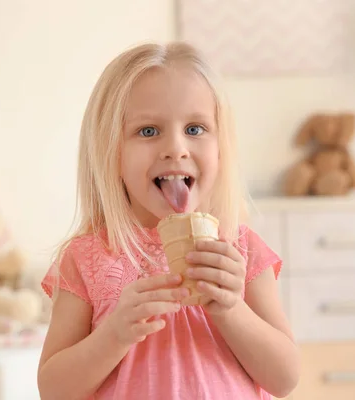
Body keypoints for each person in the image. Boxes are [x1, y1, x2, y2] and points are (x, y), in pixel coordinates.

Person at [37, 41, 300, 400]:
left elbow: (284, 378)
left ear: (220, 148)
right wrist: (113, 335)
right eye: (148, 131)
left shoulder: (239, 250)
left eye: (195, 129)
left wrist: (231, 310)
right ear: (111, 154)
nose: (176, 148)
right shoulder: (85, 259)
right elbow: (54, 390)